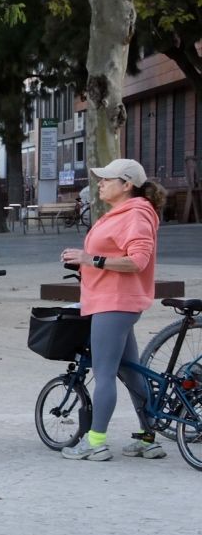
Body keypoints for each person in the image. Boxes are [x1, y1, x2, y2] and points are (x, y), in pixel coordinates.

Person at [60, 159, 166, 460]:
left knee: (104, 373)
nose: (101, 183)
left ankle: (95, 443)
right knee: (129, 372)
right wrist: (84, 260)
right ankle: (148, 438)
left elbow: (137, 261)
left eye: (107, 179)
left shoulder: (135, 215)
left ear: (127, 185)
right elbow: (108, 255)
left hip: (115, 303)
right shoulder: (122, 213)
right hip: (113, 300)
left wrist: (91, 260)